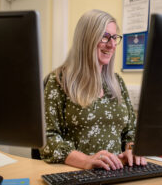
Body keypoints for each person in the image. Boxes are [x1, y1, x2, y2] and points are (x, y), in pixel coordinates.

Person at [40, 9, 146, 170]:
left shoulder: (117, 82)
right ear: (86, 39)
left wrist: (131, 150)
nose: (111, 45)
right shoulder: (59, 81)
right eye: (104, 37)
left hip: (118, 172)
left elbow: (131, 131)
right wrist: (86, 160)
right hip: (76, 173)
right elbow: (47, 139)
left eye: (114, 38)